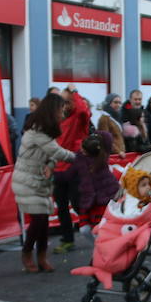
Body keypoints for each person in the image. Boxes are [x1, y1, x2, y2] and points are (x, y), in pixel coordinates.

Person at [12, 93, 75, 272]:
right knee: (38, 220)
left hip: (39, 180)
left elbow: (51, 155)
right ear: (52, 111)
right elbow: (58, 152)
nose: (63, 114)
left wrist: (50, 164)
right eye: (61, 110)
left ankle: (41, 255)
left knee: (43, 220)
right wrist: (80, 157)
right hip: (27, 180)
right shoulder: (38, 131)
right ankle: (27, 252)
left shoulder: (46, 130)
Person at [52, 84, 92, 254]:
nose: (65, 105)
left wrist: (75, 92)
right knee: (61, 206)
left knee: (77, 203)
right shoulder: (57, 119)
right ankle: (68, 239)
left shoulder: (79, 117)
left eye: (67, 102)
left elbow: (84, 111)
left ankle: (95, 228)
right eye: (63, 102)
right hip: (58, 168)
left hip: (75, 168)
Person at [65, 131, 119, 239]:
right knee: (84, 230)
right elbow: (68, 174)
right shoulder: (79, 159)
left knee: (99, 230)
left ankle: (103, 251)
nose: (81, 150)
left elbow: (107, 137)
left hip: (104, 199)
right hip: (89, 201)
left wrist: (95, 134)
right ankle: (100, 250)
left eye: (83, 149)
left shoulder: (102, 157)